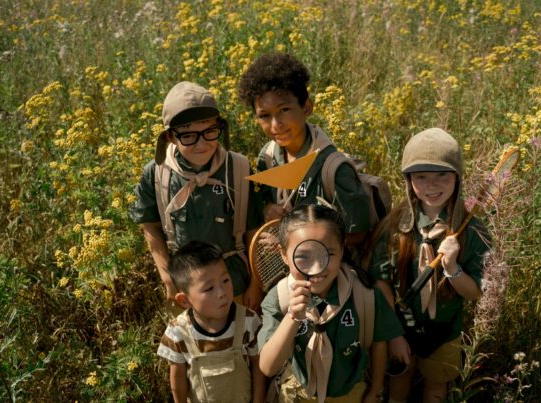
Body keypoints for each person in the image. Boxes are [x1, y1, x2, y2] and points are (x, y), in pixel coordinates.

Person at [365, 128, 491, 402]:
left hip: (445, 331)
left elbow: (475, 292)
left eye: (442, 176)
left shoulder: (472, 231)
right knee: (399, 383)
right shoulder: (394, 227)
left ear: (457, 178)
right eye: (421, 177)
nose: (431, 186)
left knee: (436, 387)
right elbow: (381, 281)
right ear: (408, 180)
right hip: (400, 327)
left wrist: (452, 267)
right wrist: (394, 333)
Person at [130, 81, 264, 311]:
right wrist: (167, 279)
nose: (201, 144)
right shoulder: (156, 173)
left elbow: (252, 230)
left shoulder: (238, 168)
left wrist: (256, 283)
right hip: (185, 289)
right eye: (189, 136)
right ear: (171, 137)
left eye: (210, 132)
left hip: (235, 285)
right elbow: (150, 227)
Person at [258, 204, 405, 403]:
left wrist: (375, 390)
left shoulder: (366, 295)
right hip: (298, 394)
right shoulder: (279, 298)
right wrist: (292, 317)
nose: (317, 267)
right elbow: (268, 367)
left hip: (351, 395)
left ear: (343, 249)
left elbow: (378, 344)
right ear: (283, 254)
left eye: (328, 253)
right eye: (303, 256)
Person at [238, 52, 370, 251]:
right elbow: (260, 206)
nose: (276, 125)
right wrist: (268, 209)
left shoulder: (334, 169)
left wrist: (294, 240)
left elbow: (358, 234)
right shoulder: (267, 157)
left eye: (284, 110)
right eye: (264, 116)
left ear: (307, 107)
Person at [157, 240, 265, 403]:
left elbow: (258, 367)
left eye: (226, 280)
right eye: (209, 289)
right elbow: (178, 377)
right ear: (185, 300)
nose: (222, 292)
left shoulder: (248, 321)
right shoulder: (178, 332)